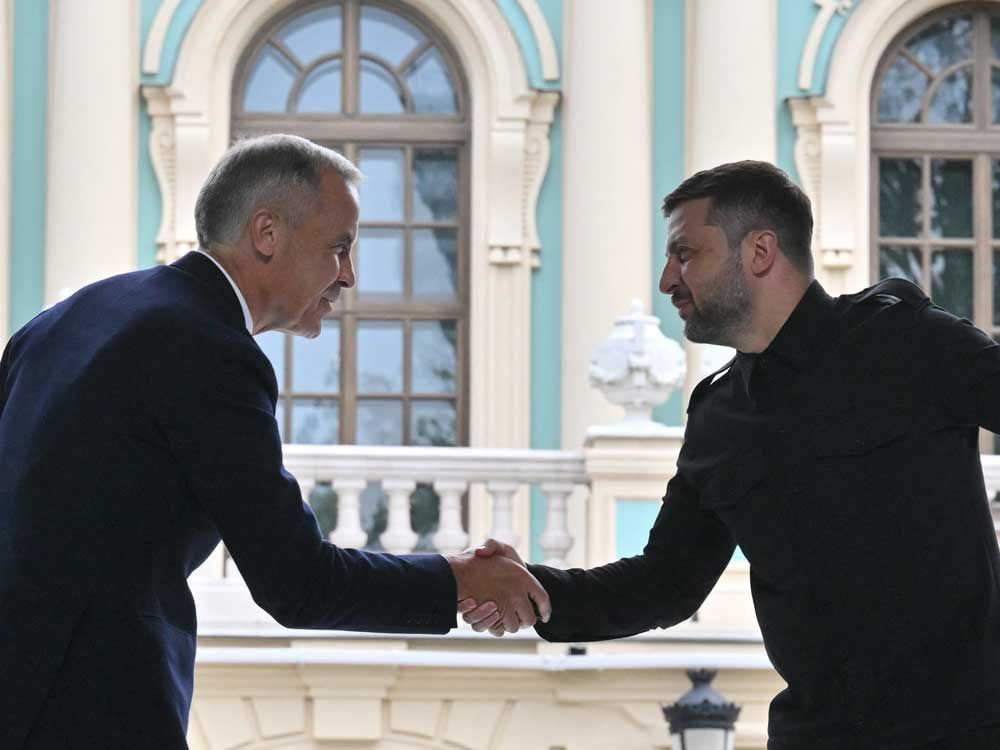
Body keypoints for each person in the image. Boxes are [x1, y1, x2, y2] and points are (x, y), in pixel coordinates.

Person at [0, 133, 550, 749]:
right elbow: (297, 582)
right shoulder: (209, 348)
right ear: (267, 233)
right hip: (89, 705)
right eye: (339, 248)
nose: (348, 275)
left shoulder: (57, 323)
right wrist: (459, 580)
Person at [464, 161, 1000, 749]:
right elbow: (666, 582)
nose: (667, 279)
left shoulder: (904, 339)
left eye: (686, 254)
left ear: (761, 251)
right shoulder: (717, 416)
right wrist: (535, 591)